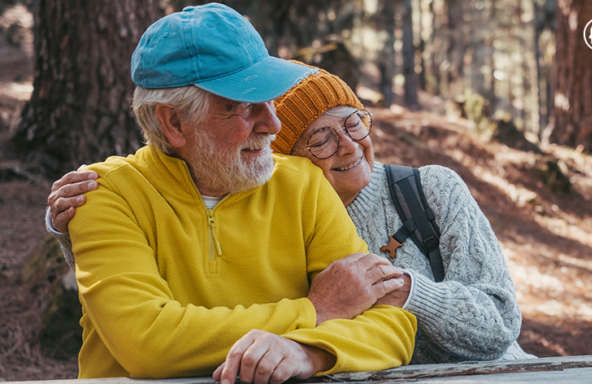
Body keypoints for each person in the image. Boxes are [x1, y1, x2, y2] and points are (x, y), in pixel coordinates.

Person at [49, 65, 535, 364]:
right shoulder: (282, 195)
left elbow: (496, 324)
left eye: (353, 122)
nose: (349, 145)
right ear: (283, 155)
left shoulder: (428, 189)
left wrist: (403, 288)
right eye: (320, 137)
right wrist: (76, 229)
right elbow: (147, 317)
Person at [45, 3, 417, 383]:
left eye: (270, 99)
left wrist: (309, 352)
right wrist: (316, 311)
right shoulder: (104, 194)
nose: (273, 123)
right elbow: (148, 342)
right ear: (173, 122)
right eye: (243, 106)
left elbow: (393, 326)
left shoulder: (303, 184)